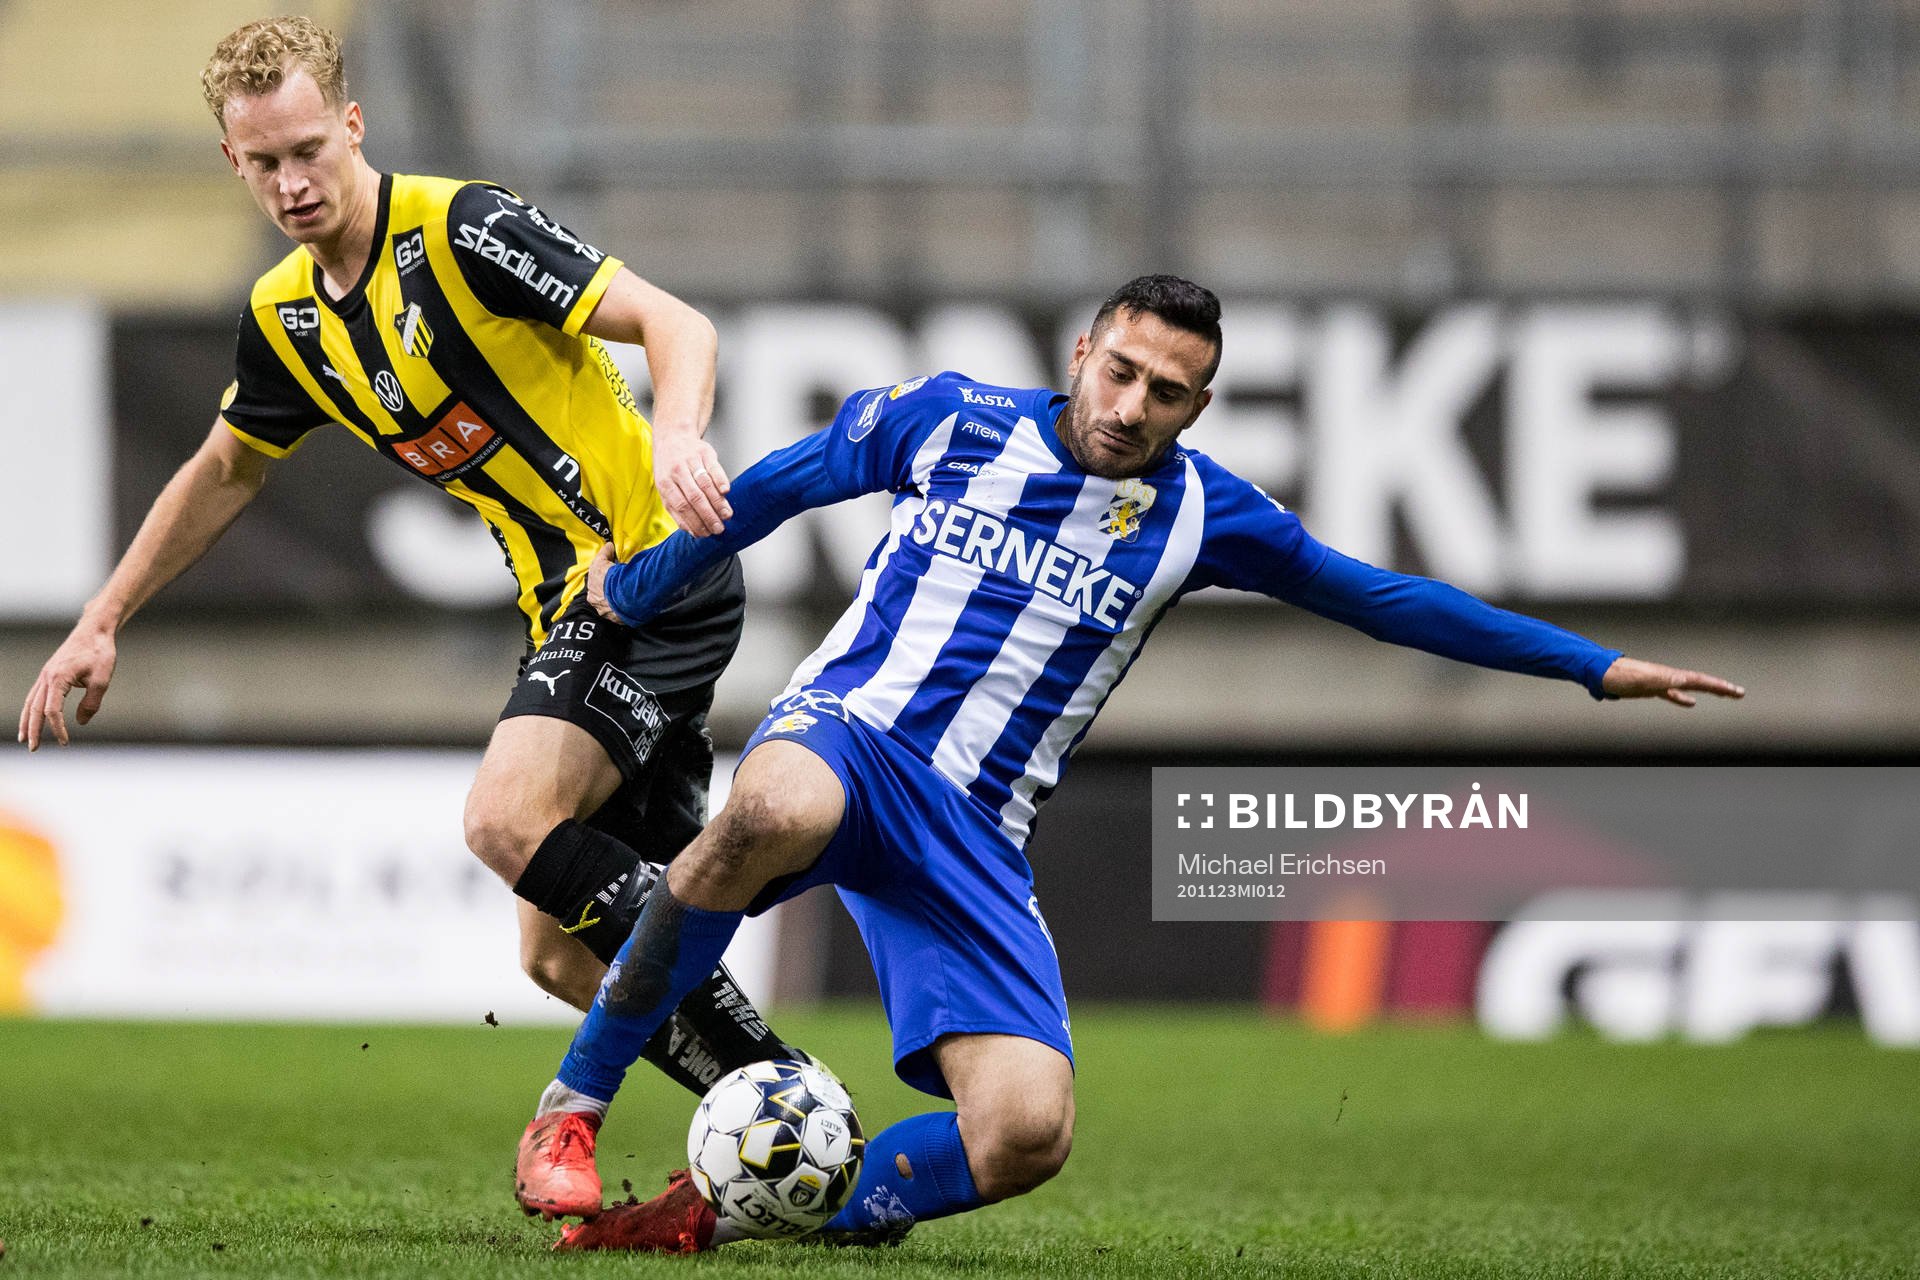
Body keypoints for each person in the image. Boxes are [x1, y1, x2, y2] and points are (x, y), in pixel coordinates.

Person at [512, 274, 1746, 1252]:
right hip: (853, 736)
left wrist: (1592, 664)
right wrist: (637, 588)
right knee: (768, 805)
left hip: (976, 832)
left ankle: (740, 1210)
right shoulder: (950, 417)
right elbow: (777, 487)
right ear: (1081, 354)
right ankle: (571, 1113)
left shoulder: (1208, 515)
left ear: (1197, 408)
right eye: (1121, 371)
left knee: (1024, 1135)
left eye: (1167, 391)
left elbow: (1385, 598)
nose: (1131, 405)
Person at [11, 15, 818, 1217]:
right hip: (562, 605)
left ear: (352, 126)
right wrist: (103, 616)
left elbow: (679, 323)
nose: (291, 182)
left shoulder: (464, 231)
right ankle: (788, 1116)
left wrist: (681, 436)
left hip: (651, 573)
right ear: (232, 161)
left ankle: (703, 1103)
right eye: (263, 162)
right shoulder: (287, 317)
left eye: (307, 151)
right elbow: (227, 466)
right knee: (556, 951)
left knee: (505, 817)